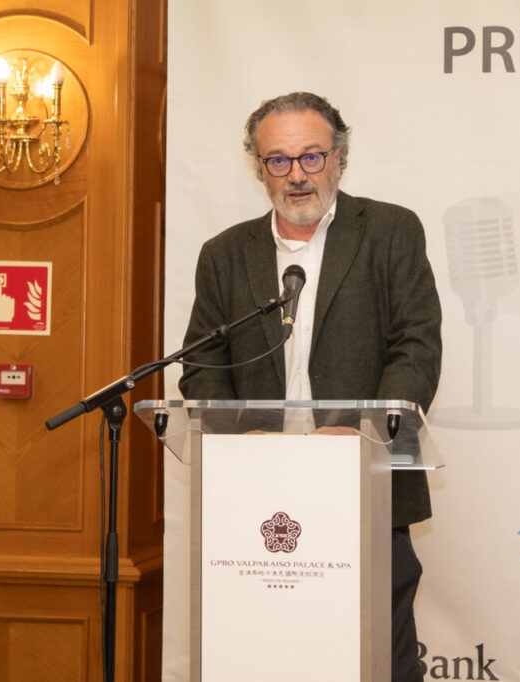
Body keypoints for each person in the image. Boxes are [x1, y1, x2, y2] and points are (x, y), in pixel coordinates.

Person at [179, 91, 442, 682]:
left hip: (365, 490)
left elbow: (417, 347)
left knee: (379, 663)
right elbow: (202, 365)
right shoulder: (224, 254)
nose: (297, 175)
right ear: (259, 167)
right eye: (279, 160)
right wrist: (241, 439)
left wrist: (363, 431)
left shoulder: (390, 231)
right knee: (264, 660)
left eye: (312, 157)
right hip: (254, 501)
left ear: (339, 158)